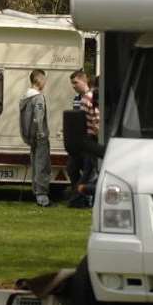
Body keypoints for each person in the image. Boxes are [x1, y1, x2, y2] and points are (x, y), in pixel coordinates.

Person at [20, 69, 52, 207]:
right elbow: (38, 117)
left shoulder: (25, 97)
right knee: (42, 165)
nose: (45, 83)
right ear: (39, 80)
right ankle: (42, 198)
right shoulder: (38, 97)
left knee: (35, 165)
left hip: (30, 136)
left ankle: (36, 192)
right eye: (44, 80)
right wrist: (41, 132)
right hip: (40, 137)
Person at [67, 70, 94, 208]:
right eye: (72, 83)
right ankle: (78, 196)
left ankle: (82, 199)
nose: (73, 86)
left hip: (88, 140)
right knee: (71, 168)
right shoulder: (77, 99)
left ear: (84, 81)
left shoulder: (92, 97)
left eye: (75, 82)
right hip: (77, 142)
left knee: (88, 172)